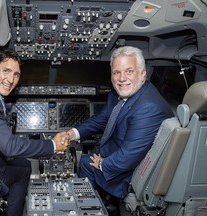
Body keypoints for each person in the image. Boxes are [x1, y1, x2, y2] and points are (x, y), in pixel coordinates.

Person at [66, 46, 174, 206]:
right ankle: (98, 202)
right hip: (123, 157)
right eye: (116, 72)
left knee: (86, 163)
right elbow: (100, 120)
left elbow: (126, 159)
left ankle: (88, 206)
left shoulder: (148, 107)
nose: (121, 78)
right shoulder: (119, 93)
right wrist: (71, 134)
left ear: (143, 74)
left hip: (132, 173)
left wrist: (102, 163)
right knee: (88, 160)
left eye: (129, 71)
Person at [0, 49, 70, 216]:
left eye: (16, 74)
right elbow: (9, 146)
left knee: (23, 164)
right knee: (23, 169)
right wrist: (52, 145)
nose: (11, 79)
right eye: (6, 71)